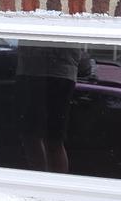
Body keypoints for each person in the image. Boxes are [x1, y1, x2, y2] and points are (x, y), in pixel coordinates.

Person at [15, 44, 92, 174]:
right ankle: (43, 184)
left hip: (56, 70)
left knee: (50, 139)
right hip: (41, 68)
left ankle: (51, 187)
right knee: (33, 137)